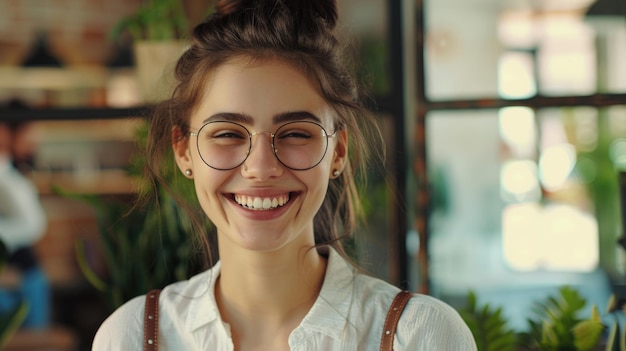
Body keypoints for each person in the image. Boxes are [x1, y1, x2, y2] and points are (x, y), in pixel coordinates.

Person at [93, 0, 477, 349]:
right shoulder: (131, 336)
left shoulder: (421, 335)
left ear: (338, 151)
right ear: (183, 152)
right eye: (227, 134)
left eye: (295, 133)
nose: (260, 168)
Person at [0, 119, 50, 329]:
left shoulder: (12, 169)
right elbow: (32, 224)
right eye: (28, 136)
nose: (33, 143)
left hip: (26, 274)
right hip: (13, 277)